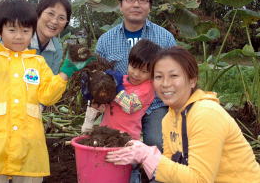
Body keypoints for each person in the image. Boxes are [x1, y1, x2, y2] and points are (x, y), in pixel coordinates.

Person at [0, 0, 91, 183]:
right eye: (12, 30)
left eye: (25, 31)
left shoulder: (38, 63)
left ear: (32, 32)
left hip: (29, 145)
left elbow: (47, 97)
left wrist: (65, 72)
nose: (18, 36)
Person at [106, 46, 260, 183]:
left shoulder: (206, 114)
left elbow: (200, 179)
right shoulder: (169, 119)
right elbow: (170, 171)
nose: (165, 83)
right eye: (159, 76)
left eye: (173, 76)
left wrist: (148, 155)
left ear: (192, 80)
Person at [96, 0, 176, 153]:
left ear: (150, 6)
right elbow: (99, 76)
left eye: (142, 0)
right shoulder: (105, 40)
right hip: (118, 106)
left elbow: (176, 73)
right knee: (112, 144)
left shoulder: (166, 38)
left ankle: (156, 176)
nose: (136, 4)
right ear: (120, 5)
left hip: (155, 104)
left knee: (157, 142)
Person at [0, 0, 72, 126]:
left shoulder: (57, 48)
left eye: (61, 18)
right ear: (38, 14)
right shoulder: (18, 37)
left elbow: (49, 82)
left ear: (66, 23)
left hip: (26, 97)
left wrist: (39, 107)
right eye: (50, 14)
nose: (54, 21)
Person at [82, 39, 161, 141]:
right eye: (133, 67)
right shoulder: (120, 80)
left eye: (144, 71)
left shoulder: (147, 88)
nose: (136, 74)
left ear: (153, 73)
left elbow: (130, 106)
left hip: (126, 139)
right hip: (105, 133)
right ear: (128, 63)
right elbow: (100, 104)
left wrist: (114, 87)